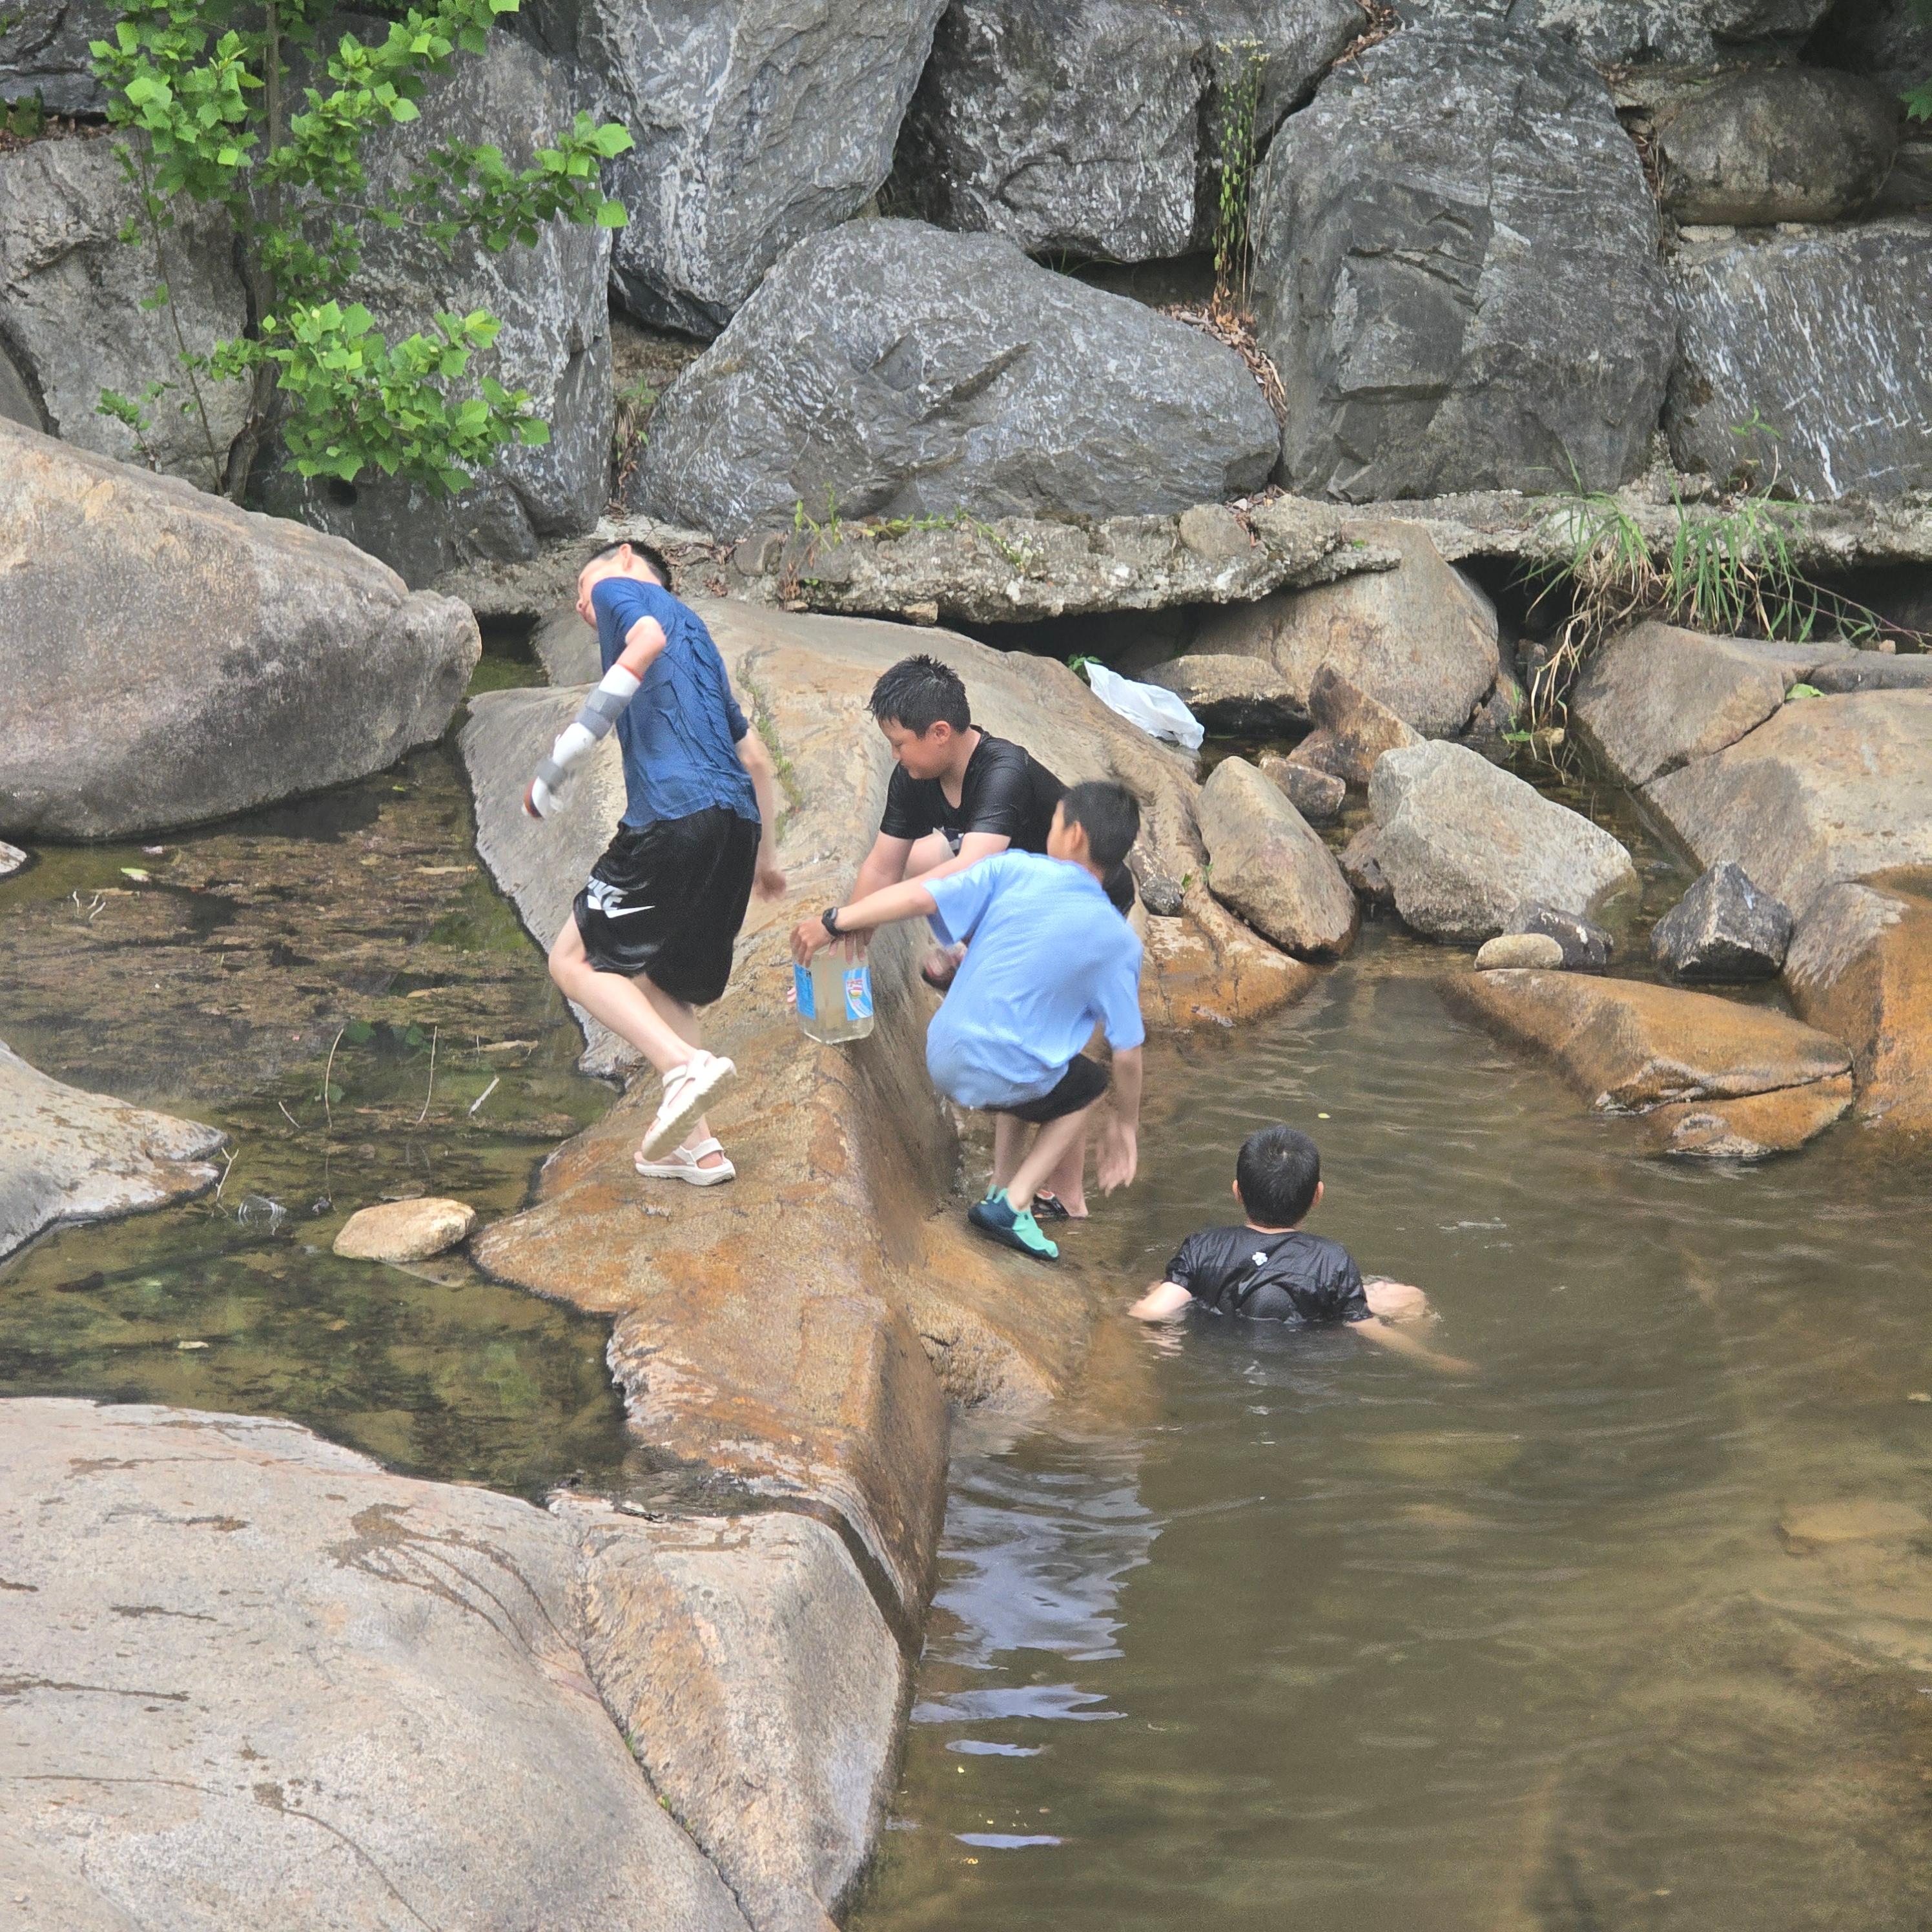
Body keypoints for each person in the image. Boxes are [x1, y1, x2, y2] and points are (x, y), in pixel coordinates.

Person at [792, 781, 1146, 1263]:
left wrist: (837, 920)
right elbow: (1128, 1052)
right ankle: (1016, 1201)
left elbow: (922, 897)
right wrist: (1125, 1125)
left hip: (944, 1056)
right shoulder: (1118, 941)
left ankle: (999, 1188)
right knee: (1088, 1084)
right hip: (1004, 1071)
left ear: (1075, 835)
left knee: (1032, 1056)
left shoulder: (1015, 869)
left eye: (1054, 822)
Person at [524, 540, 785, 1184]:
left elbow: (643, 642)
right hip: (735, 826)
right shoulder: (697, 634)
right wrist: (766, 859)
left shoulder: (621, 590)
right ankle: (698, 1148)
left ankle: (682, 1066)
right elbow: (755, 759)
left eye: (580, 585)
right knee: (666, 983)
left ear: (623, 557)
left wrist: (564, 756)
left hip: (673, 814)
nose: (580, 602)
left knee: (572, 960)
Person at [850, 655, 1136, 985]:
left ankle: (1004, 957)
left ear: (940, 732)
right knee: (920, 857)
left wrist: (840, 920)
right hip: (1015, 880)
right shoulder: (913, 776)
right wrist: (848, 931)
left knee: (1030, 987)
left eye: (899, 744)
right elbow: (882, 867)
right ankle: (981, 948)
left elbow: (969, 867)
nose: (895, 756)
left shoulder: (1004, 772)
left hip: (1085, 897)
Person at [1129, 1126, 1474, 1373]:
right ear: (1317, 1196)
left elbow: (1148, 1312)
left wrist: (1165, 1344)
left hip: (1225, 1344)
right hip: (1303, 1349)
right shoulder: (1331, 1260)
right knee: (1411, 1298)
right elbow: (1366, 1328)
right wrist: (1431, 1360)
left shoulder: (1203, 1247)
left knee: (1163, 1285)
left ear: (1237, 1192)